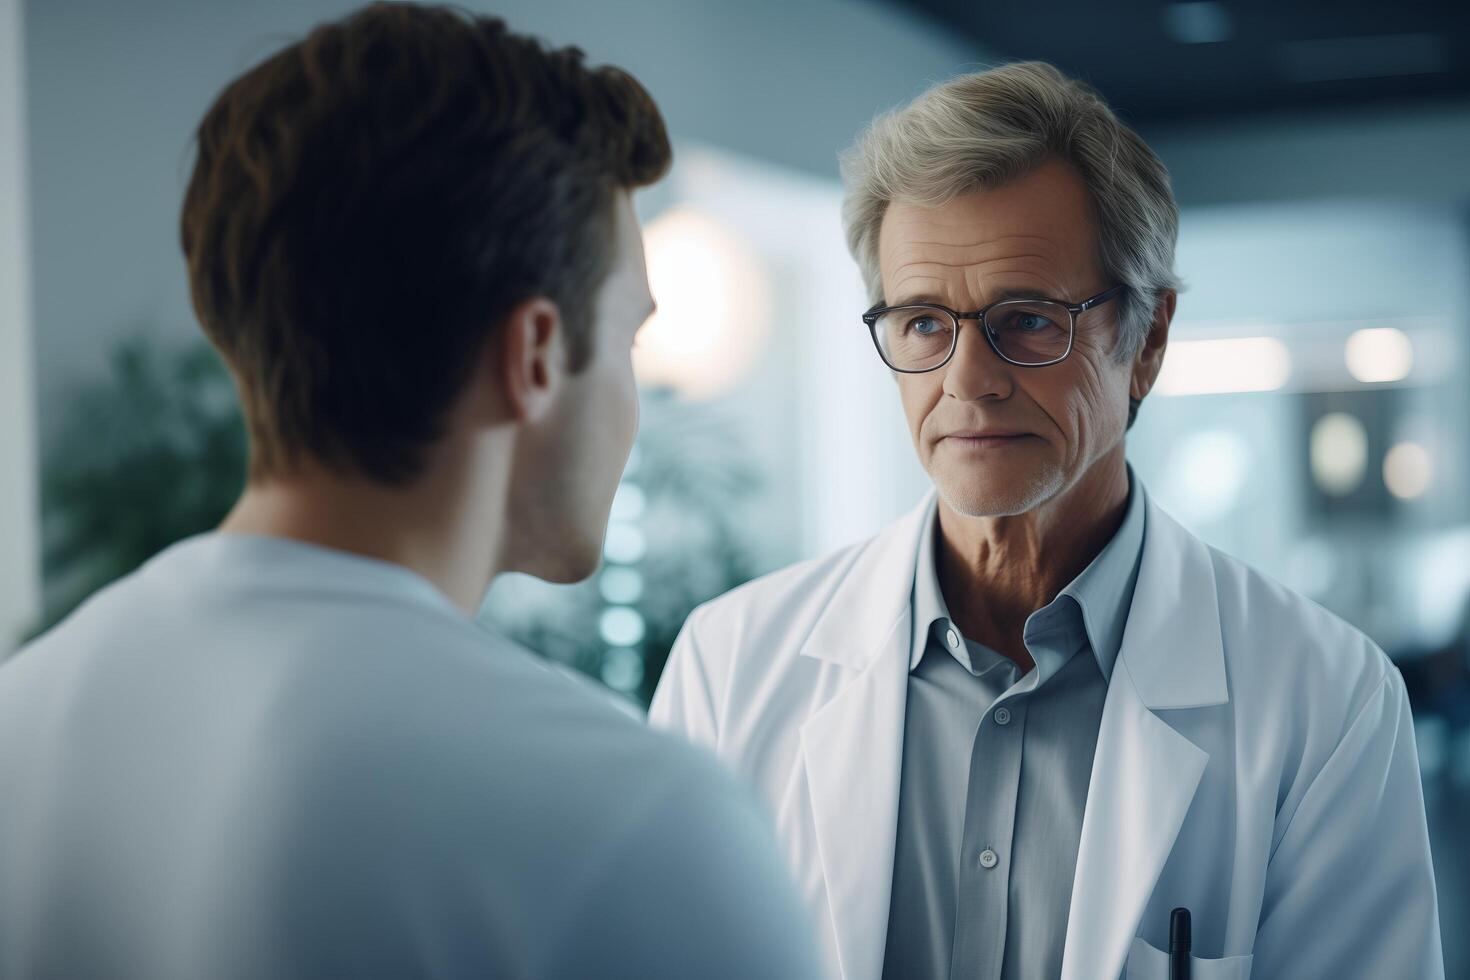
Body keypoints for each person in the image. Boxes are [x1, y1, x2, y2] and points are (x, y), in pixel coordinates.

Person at [0, 6, 819, 979]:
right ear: (536, 355)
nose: (638, 397)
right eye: (632, 339)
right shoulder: (628, 820)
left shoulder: (25, 716)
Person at [651, 61, 1443, 980]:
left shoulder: (1325, 701)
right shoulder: (729, 667)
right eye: (921, 324)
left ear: (1146, 340)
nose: (966, 381)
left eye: (1026, 320)